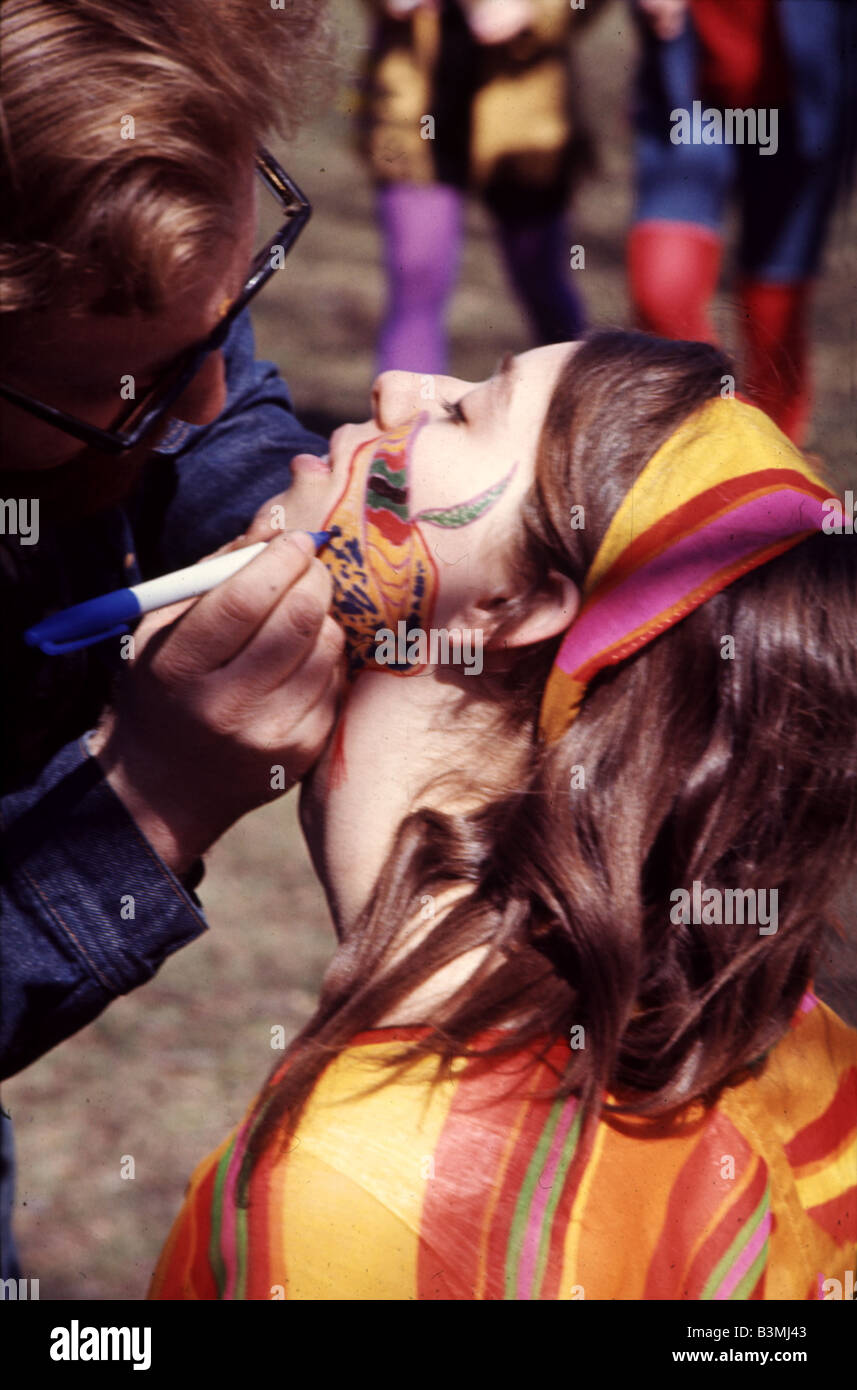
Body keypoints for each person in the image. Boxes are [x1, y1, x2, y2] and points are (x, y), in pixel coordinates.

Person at [150, 330, 857, 1300]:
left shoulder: (355, 1196)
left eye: (464, 410)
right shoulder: (788, 1050)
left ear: (516, 601)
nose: (396, 382)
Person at [0, 0, 343, 1279]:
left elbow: (215, 406)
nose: (201, 396)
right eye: (117, 388)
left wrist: (266, 500)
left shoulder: (128, 187)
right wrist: (144, 799)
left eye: (230, 311)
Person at [628, 0, 857, 446]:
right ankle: (719, 443)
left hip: (805, 112)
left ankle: (775, 469)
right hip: (688, 99)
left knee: (775, 310)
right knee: (661, 291)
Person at [358, 0, 605, 375]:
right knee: (416, 282)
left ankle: (585, 417)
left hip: (526, 111)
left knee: (542, 281)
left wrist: (534, 10)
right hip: (414, 105)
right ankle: (406, 428)